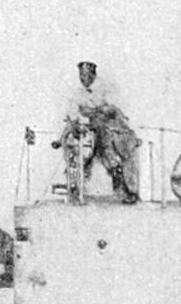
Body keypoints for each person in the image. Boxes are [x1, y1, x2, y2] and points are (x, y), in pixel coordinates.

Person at [54, 60, 140, 203]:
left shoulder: (105, 87)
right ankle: (75, 187)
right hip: (94, 128)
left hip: (113, 128)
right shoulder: (78, 92)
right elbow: (72, 111)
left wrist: (93, 111)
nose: (83, 79)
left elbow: (112, 110)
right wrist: (74, 123)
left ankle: (127, 191)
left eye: (86, 75)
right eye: (81, 76)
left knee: (111, 153)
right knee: (77, 148)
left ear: (93, 75)